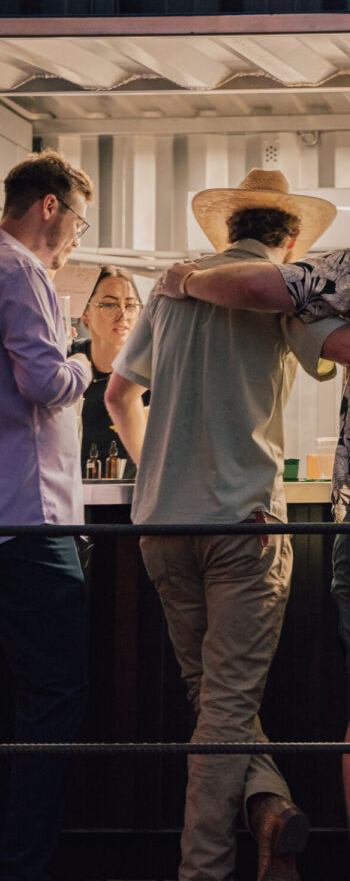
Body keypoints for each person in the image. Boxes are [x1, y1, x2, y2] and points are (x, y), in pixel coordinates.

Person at [106, 171, 350, 881]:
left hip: (159, 522)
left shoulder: (173, 289)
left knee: (211, 698)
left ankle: (269, 810)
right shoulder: (287, 295)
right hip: (245, 521)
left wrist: (160, 473)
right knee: (228, 706)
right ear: (290, 237)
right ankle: (202, 870)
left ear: (229, 230)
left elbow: (118, 393)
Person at [0, 149, 95, 881]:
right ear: (51, 207)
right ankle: (25, 862)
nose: (74, 240)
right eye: (77, 221)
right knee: (53, 694)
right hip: (30, 521)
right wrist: (88, 362)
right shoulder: (22, 270)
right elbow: (45, 382)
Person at [73, 265, 147, 479]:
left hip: (129, 498)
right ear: (85, 312)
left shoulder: (151, 371)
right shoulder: (69, 359)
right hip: (72, 494)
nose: (122, 314)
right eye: (109, 304)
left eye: (131, 305)